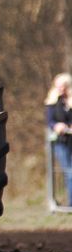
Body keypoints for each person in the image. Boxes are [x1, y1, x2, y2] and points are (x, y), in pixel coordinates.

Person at [46, 72, 72, 206]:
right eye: (58, 86)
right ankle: (70, 203)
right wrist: (57, 126)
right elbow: (49, 121)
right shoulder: (52, 102)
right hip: (61, 142)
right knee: (69, 171)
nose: (60, 89)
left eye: (63, 86)